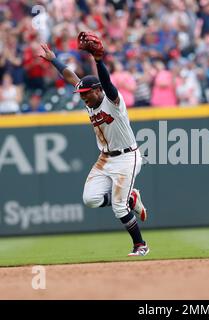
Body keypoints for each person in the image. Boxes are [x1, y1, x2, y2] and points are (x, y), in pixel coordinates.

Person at [39, 38, 149, 256]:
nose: (83, 97)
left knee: (119, 208)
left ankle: (140, 245)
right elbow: (72, 77)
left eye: (86, 93)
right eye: (81, 94)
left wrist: (98, 61)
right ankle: (130, 198)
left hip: (127, 157)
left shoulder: (113, 102)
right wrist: (54, 61)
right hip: (105, 158)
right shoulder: (88, 99)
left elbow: (107, 83)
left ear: (97, 90)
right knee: (90, 199)